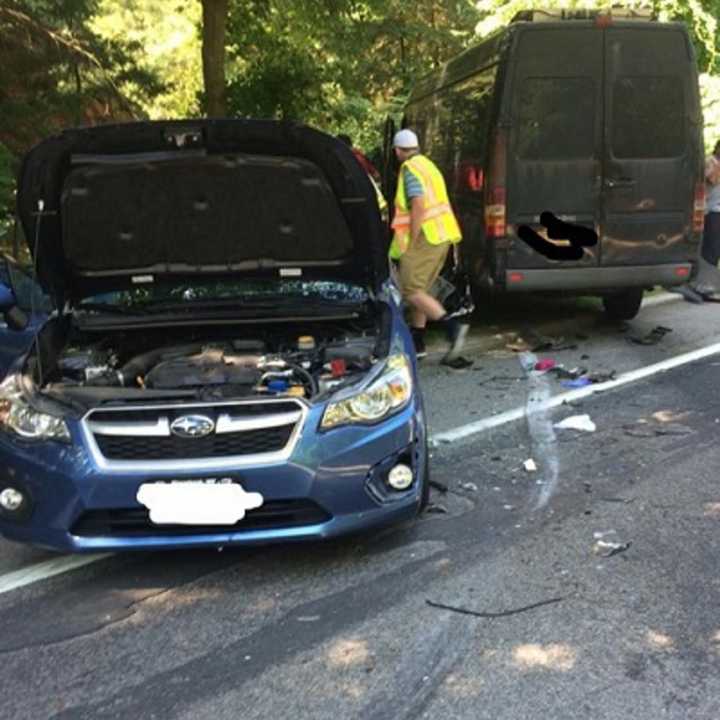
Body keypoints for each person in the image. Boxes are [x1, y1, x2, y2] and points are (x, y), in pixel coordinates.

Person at [389, 128, 468, 361]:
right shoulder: (429, 166)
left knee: (410, 290)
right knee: (421, 290)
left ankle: (452, 328)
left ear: (397, 151)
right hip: (441, 236)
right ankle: (418, 342)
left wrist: (412, 240)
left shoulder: (409, 168)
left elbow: (419, 205)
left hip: (425, 238)